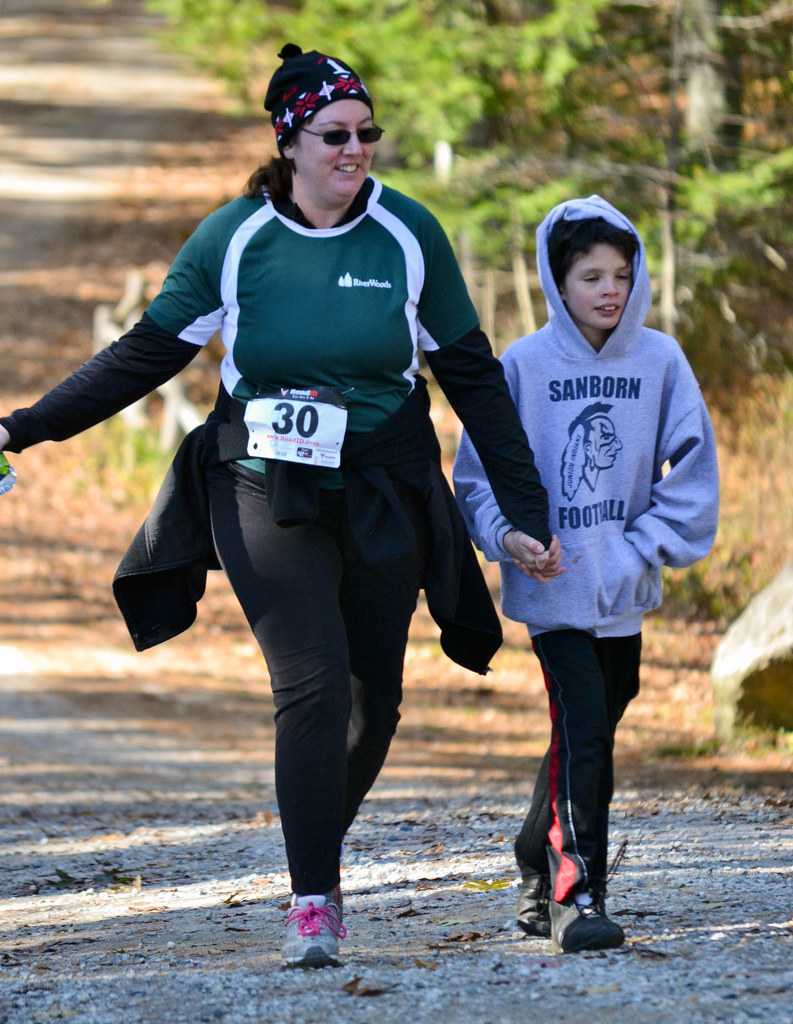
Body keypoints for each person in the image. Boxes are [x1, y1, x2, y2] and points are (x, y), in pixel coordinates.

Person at [0, 44, 562, 969]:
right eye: (335, 135)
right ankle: (313, 900)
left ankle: (314, 845)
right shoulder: (235, 239)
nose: (355, 150)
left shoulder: (408, 236)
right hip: (262, 478)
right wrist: (19, 428)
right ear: (288, 141)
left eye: (365, 134)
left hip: (382, 482)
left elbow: (473, 378)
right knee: (309, 680)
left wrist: (524, 507)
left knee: (371, 703)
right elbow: (141, 357)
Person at [453, 195, 719, 954]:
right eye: (591, 276)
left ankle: (534, 852)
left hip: (625, 584)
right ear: (556, 283)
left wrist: (643, 545)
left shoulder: (659, 359)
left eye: (621, 274)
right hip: (553, 585)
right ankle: (578, 895)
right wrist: (508, 536)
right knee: (584, 733)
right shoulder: (524, 365)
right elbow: (476, 478)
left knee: (593, 724)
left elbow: (693, 468)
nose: (610, 290)